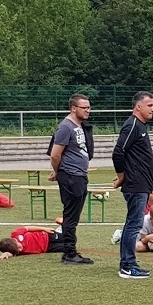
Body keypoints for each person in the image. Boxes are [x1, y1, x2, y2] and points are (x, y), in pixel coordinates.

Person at [112, 91, 153, 279]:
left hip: (142, 184)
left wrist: (151, 184)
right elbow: (118, 152)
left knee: (132, 224)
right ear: (138, 107)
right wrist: (121, 176)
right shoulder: (132, 125)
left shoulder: (140, 126)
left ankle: (128, 263)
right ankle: (127, 266)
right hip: (135, 185)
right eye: (150, 105)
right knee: (133, 225)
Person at [47, 93, 94, 265]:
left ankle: (70, 251)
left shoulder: (78, 126)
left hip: (78, 175)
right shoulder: (66, 127)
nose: (88, 110)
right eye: (84, 107)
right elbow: (55, 155)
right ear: (74, 108)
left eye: (89, 107)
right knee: (71, 216)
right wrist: (58, 171)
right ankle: (69, 253)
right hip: (71, 176)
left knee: (73, 216)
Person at [0, 226, 71, 259]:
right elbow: (10, 254)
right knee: (69, 247)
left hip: (47, 236)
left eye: (18, 247)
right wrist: (5, 254)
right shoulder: (15, 251)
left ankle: (60, 228)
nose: (20, 250)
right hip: (48, 248)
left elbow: (28, 228)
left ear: (15, 241)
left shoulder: (16, 233)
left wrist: (44, 229)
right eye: (18, 251)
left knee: (71, 238)